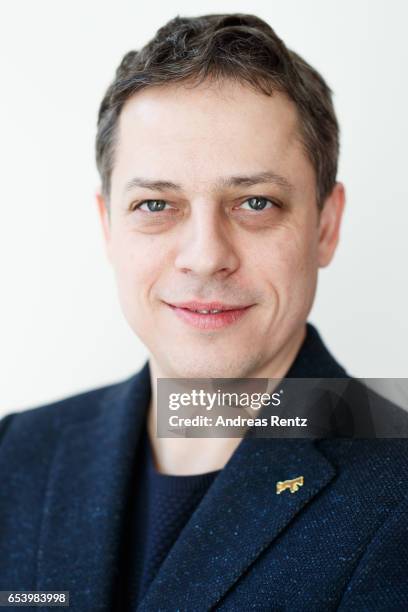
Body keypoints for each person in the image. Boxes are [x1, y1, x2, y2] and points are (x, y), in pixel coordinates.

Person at [0, 13, 407, 611]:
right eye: (156, 203)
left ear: (326, 224)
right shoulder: (17, 451)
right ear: (108, 226)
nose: (205, 257)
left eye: (255, 202)